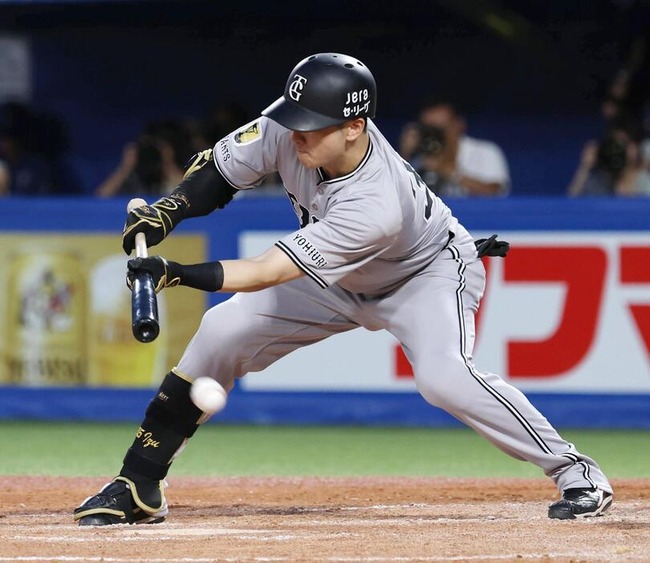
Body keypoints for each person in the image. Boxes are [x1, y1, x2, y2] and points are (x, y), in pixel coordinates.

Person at [73, 53, 612, 526]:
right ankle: (138, 483)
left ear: (355, 126)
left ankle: (576, 471)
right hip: (339, 278)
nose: (296, 133)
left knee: (443, 378)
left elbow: (267, 270)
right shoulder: (286, 127)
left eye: (312, 125)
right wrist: (167, 212)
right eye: (294, 118)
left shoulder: (376, 202)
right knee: (221, 331)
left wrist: (176, 273)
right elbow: (220, 171)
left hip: (422, 275)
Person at [398, 100, 510, 197]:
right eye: (429, 130)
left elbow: (496, 193)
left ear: (458, 125)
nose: (435, 136)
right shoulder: (417, 159)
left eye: (440, 129)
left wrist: (450, 173)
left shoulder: (485, 152)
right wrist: (405, 155)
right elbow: (397, 196)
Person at [95, 119, 195, 198]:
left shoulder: (177, 172)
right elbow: (101, 198)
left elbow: (188, 196)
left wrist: (168, 163)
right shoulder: (134, 175)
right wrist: (125, 168)